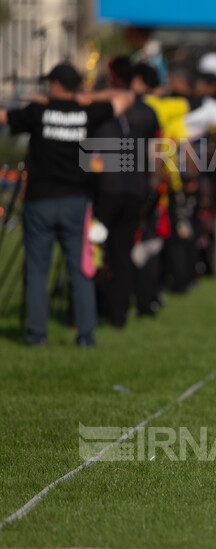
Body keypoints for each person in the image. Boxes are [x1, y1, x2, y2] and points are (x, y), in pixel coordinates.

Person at [0, 62, 133, 346]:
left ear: (57, 85)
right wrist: (84, 98)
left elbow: (3, 117)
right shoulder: (86, 112)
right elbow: (125, 98)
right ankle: (85, 334)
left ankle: (36, 335)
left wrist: (45, 104)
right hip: (75, 201)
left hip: (39, 201)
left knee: (37, 270)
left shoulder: (38, 112)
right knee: (81, 270)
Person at [92, 57, 161, 328]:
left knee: (93, 249)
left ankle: (87, 309)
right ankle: (118, 314)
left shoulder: (100, 110)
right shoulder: (148, 112)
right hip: (135, 188)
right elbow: (155, 154)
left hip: (107, 188)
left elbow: (92, 156)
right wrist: (152, 185)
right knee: (122, 252)